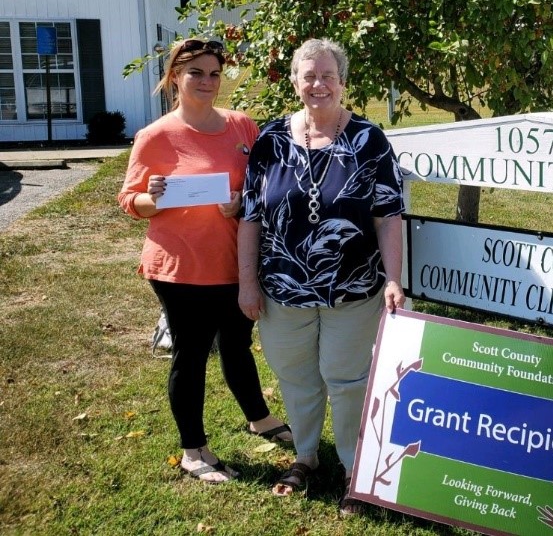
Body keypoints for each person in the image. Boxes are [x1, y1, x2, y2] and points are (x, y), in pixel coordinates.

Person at [238, 38, 405, 512]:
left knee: (347, 379)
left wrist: (394, 278)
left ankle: (355, 468)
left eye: (328, 75)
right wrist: (247, 282)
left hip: (353, 289)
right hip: (282, 289)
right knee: (295, 375)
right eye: (308, 75)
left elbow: (389, 216)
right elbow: (250, 216)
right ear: (294, 82)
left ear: (342, 81)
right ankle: (306, 455)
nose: (318, 84)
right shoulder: (271, 140)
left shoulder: (369, 139)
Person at [119, 37, 291, 484]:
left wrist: (241, 202)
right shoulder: (155, 136)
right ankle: (193, 450)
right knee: (192, 353)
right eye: (196, 72)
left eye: (215, 73)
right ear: (175, 76)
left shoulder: (242, 127)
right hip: (181, 267)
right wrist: (153, 198)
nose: (207, 81)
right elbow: (130, 201)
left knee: (237, 344)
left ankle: (258, 417)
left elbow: (263, 185)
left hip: (235, 261)